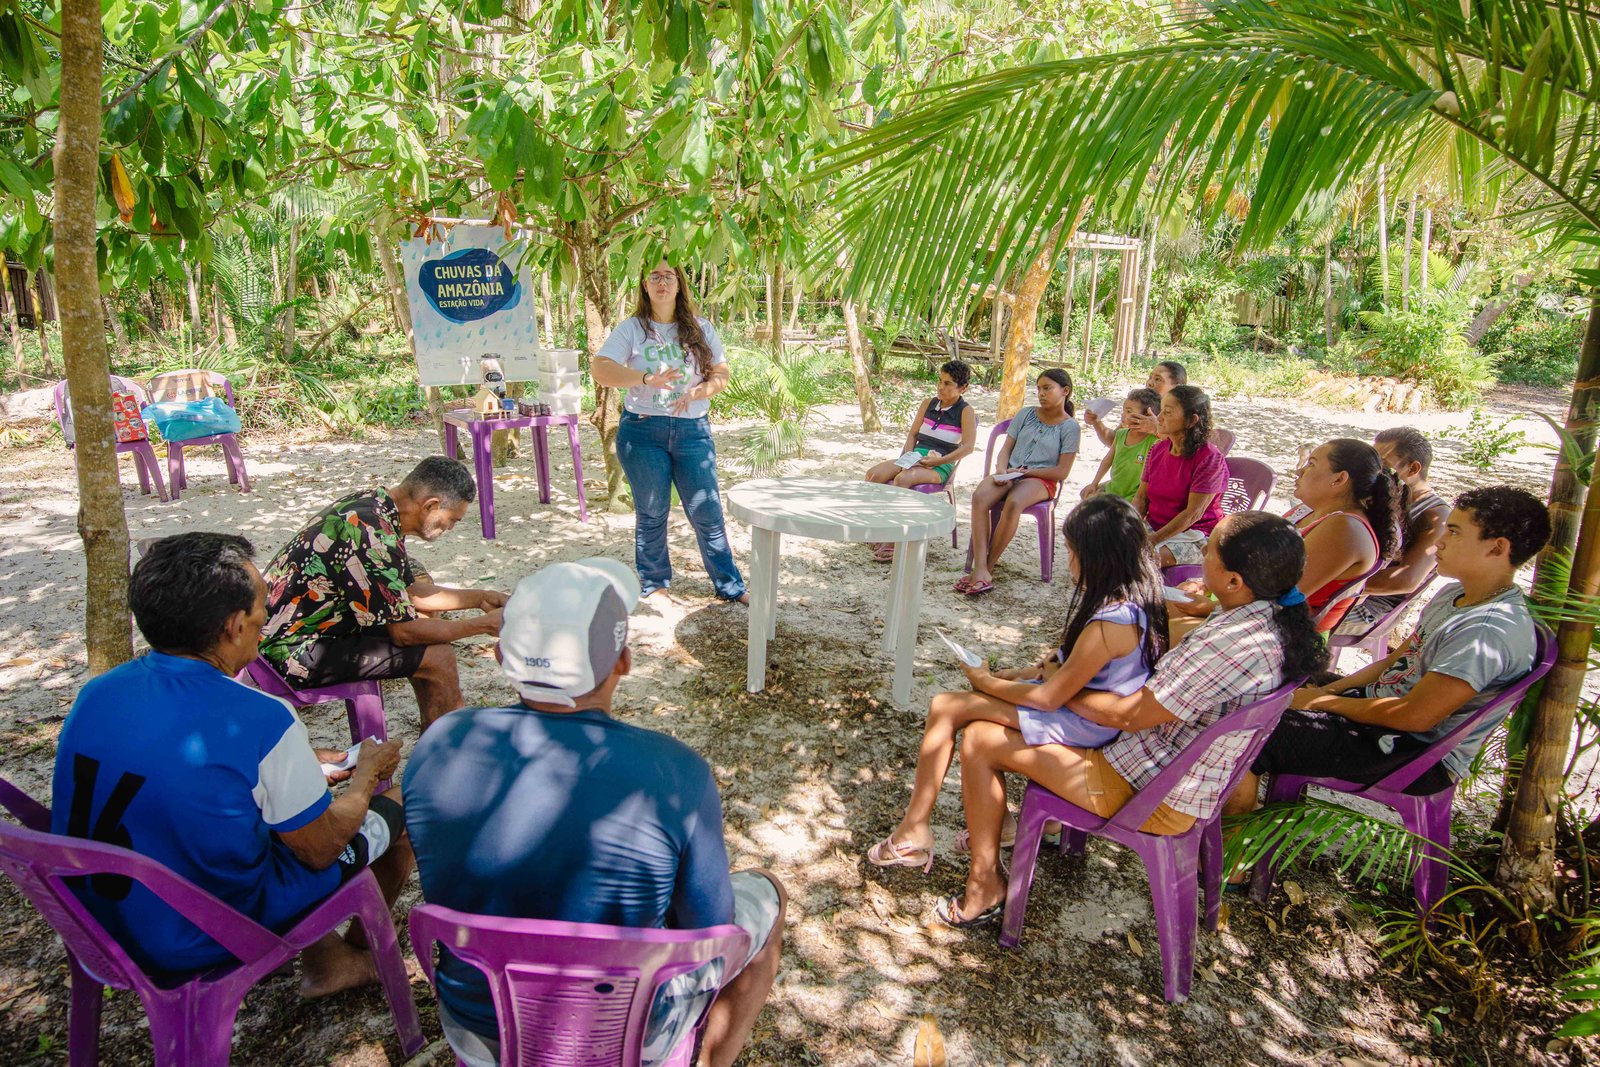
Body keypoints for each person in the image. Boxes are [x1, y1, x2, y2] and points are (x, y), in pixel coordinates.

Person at [404, 558, 785, 1067]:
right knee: (768, 891)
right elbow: (711, 929)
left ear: (500, 655)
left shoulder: (440, 743)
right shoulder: (674, 770)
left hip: (479, 1022)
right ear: (623, 661)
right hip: (626, 1029)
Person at [51, 533, 410, 995]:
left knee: (261, 821)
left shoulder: (97, 693)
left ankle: (332, 957)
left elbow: (189, 783)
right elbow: (319, 849)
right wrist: (364, 779)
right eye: (262, 608)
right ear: (236, 626)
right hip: (202, 931)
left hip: (95, 923)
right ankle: (355, 955)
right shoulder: (260, 717)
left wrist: (298, 768)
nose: (266, 617)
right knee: (407, 804)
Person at [937, 512, 1327, 926]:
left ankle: (985, 885)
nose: (1201, 553)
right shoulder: (1263, 620)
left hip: (1150, 789)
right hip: (1172, 773)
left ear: (1234, 581)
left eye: (1208, 550)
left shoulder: (1229, 645)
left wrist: (1061, 687)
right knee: (1014, 722)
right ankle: (1036, 829)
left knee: (980, 740)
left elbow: (1128, 716)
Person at [866, 495, 1167, 871]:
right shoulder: (1136, 603)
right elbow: (1062, 667)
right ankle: (995, 824)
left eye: (1072, 551)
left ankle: (914, 831)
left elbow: (1048, 698)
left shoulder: (1109, 624)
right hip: (1083, 716)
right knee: (964, 710)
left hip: (1082, 726)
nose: (1068, 561)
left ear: (1097, 557)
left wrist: (984, 681)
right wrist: (1019, 674)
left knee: (948, 706)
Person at [1227, 486, 1551, 817]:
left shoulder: (1485, 632)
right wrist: (1328, 690)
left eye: (1454, 533)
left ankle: (1229, 855)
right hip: (1378, 708)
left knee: (1241, 735)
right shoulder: (1456, 594)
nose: (1439, 542)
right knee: (1261, 674)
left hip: (1413, 751)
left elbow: (1416, 717)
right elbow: (1396, 661)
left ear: (1498, 548)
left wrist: (1318, 702)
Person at [259, 456, 505, 731]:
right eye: (452, 520)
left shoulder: (377, 507)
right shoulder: (369, 534)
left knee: (432, 645)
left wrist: (483, 597)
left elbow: (407, 592)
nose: (451, 528)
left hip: (311, 630)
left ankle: (435, 739)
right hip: (288, 650)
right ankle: (446, 753)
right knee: (438, 657)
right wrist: (481, 625)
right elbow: (404, 632)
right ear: (431, 506)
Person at [591, 260, 747, 604]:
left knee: (707, 511)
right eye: (655, 277)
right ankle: (654, 582)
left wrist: (698, 392)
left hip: (693, 431)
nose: (662, 282)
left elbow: (721, 373)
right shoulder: (632, 329)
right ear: (645, 286)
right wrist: (645, 378)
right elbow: (601, 369)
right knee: (652, 511)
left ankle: (730, 586)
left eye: (669, 276)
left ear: (679, 285)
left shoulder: (701, 328)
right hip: (643, 430)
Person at [1169, 438, 1401, 637]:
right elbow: (1257, 565)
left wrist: (1213, 605)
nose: (1299, 471)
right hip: (1246, 609)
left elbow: (1278, 599)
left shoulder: (1345, 529)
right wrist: (1207, 584)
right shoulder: (1308, 511)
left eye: (1311, 464)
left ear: (1340, 479)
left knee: (1148, 624)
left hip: (1277, 633)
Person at [955, 368, 1080, 595]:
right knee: (979, 497)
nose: (1041, 394)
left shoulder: (1070, 427)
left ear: (1065, 391)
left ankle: (987, 568)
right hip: (1010, 472)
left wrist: (1029, 472)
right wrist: (1002, 470)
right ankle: (980, 567)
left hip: (1042, 480)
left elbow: (1062, 471)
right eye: (1039, 388)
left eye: (1047, 388)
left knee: (1014, 503)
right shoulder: (1025, 414)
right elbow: (1005, 450)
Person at [1335, 426, 1450, 636]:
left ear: (1413, 469)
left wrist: (1331, 583)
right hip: (1344, 589)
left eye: (1383, 465)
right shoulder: (1378, 496)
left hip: (1371, 608)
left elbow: (1406, 580)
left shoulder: (1436, 517)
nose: (1373, 472)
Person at [864, 359, 979, 561]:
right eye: (940, 381)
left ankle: (893, 541)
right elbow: (912, 435)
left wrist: (938, 462)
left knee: (902, 480)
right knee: (873, 474)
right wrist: (909, 457)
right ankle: (877, 528)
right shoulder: (928, 403)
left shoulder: (965, 411)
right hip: (916, 457)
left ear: (963, 388)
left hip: (941, 464)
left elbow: (968, 447)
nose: (940, 387)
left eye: (947, 384)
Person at [1134, 384, 1227, 567]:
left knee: (1143, 559)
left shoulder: (1209, 458)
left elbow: (1192, 514)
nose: (1159, 418)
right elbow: (1141, 497)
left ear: (1191, 421)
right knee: (1105, 538)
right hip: (1156, 526)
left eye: (1168, 412)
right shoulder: (1157, 449)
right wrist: (1131, 523)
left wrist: (1152, 540)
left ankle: (1137, 595)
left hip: (1195, 534)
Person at [1080, 387, 1160, 501]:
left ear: (1147, 416)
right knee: (1086, 497)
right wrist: (1094, 483)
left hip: (1133, 497)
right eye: (1124, 411)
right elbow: (1107, 460)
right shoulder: (1121, 434)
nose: (1123, 415)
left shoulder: (1154, 442)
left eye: (1129, 411)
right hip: (1113, 489)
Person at [1084, 360, 1185, 446]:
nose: (1150, 383)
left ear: (1177, 386)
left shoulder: (1184, 416)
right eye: (1150, 377)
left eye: (1158, 379)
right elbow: (1114, 441)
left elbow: (1184, 447)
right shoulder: (1140, 407)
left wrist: (1155, 429)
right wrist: (1096, 422)